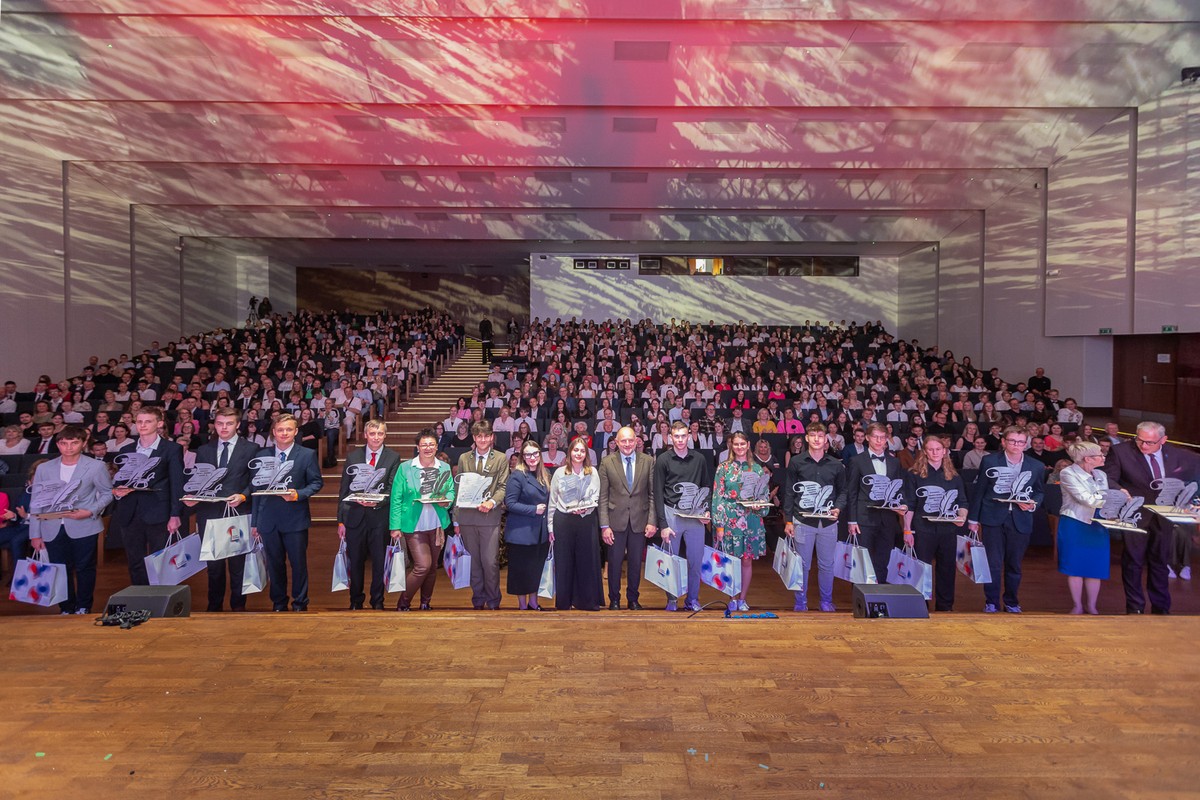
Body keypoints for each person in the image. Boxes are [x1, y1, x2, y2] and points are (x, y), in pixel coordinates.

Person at [1104, 421, 1200, 614]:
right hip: (1135, 514)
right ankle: (1135, 607)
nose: (1143, 446)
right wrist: (1119, 490)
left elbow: (1192, 478)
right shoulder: (1121, 452)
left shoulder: (1177, 454)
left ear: (1163, 440)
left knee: (1160, 560)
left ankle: (1161, 607)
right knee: (1133, 561)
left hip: (1165, 514)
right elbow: (1108, 477)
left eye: (1150, 442)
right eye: (1139, 440)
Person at [27, 426, 113, 614]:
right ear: (58, 444)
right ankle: (66, 607)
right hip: (51, 526)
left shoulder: (96, 466)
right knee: (59, 568)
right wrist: (35, 533)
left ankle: (83, 606)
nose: (68, 447)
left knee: (85, 567)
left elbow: (107, 494)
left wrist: (90, 511)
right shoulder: (44, 468)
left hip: (85, 525)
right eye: (64, 443)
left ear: (83, 444)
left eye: (74, 443)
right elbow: (36, 503)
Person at [183, 407, 257, 612]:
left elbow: (255, 482)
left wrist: (243, 495)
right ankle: (214, 607)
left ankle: (238, 606)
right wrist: (193, 497)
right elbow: (200, 481)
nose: (224, 428)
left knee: (237, 565)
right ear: (214, 425)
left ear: (237, 425)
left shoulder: (251, 449)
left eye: (229, 423)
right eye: (220, 423)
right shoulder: (204, 450)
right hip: (210, 514)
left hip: (238, 512)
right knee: (213, 567)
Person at [967, 425, 1046, 613]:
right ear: (1003, 442)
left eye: (1020, 442)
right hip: (992, 517)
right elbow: (980, 491)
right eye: (1012, 441)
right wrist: (973, 519)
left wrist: (1032, 503)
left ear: (1025, 444)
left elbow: (1039, 492)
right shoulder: (989, 461)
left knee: (1014, 564)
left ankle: (1011, 601)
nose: (1016, 445)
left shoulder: (1036, 466)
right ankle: (991, 602)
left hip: (1020, 519)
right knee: (993, 563)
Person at [250, 413, 324, 612]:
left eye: (288, 429)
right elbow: (255, 490)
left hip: (295, 519)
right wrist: (254, 522)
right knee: (274, 565)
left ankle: (300, 603)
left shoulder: (306, 455)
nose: (284, 433)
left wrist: (298, 494)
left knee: (298, 564)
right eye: (280, 429)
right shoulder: (260, 456)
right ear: (274, 432)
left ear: (296, 432)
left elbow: (317, 483)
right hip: (268, 519)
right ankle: (278, 603)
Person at [110, 406, 185, 586]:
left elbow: (177, 483)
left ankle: (159, 600)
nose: (142, 425)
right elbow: (121, 480)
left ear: (159, 424)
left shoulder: (171, 449)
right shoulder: (126, 449)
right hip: (130, 511)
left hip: (158, 512)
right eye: (139, 421)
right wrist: (118, 491)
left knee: (160, 561)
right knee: (135, 562)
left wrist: (175, 514)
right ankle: (140, 598)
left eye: (148, 421)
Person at [337, 419, 400, 611]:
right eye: (372, 434)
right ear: (365, 435)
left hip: (379, 518)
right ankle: (356, 600)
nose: (376, 437)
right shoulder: (353, 456)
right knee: (355, 561)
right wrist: (340, 521)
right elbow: (344, 490)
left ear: (385, 435)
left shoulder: (393, 457)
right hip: (355, 517)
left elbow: (393, 489)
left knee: (379, 561)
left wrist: (378, 501)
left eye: (380, 433)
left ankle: (377, 601)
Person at [390, 428, 455, 611]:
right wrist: (395, 526)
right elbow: (396, 498)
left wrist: (446, 502)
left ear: (436, 447)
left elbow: (450, 491)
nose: (428, 448)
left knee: (433, 567)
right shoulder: (405, 468)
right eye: (424, 444)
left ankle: (425, 602)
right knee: (422, 566)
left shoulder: (444, 467)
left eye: (431, 445)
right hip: (413, 524)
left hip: (436, 525)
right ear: (418, 447)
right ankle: (403, 602)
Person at [783, 427, 847, 612]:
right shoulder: (796, 462)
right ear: (806, 438)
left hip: (828, 522)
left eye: (820, 436)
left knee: (827, 564)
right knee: (802, 565)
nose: (817, 439)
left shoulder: (836, 464)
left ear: (825, 439)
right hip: (802, 520)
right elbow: (789, 492)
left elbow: (843, 490)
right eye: (813, 436)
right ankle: (800, 601)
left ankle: (826, 601)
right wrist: (788, 520)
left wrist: (838, 507)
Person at [902, 437, 969, 612]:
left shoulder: (954, 476)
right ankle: (920, 605)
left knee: (947, 569)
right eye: (930, 449)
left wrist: (961, 517)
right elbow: (909, 505)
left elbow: (962, 502)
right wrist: (907, 530)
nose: (935, 452)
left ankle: (945, 606)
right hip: (922, 528)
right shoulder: (914, 474)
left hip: (948, 530)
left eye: (938, 449)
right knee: (921, 569)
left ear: (944, 451)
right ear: (924, 451)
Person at [653, 420, 713, 612]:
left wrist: (706, 511)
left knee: (695, 561)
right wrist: (663, 524)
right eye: (676, 436)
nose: (680, 440)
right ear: (671, 437)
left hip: (695, 516)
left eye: (683, 436)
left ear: (689, 436)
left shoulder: (699, 459)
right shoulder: (663, 459)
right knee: (671, 561)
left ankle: (692, 599)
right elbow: (658, 493)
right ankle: (672, 600)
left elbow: (706, 487)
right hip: (672, 514)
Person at [598, 426, 658, 610]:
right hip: (615, 522)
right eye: (623, 440)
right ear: (616, 442)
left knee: (634, 564)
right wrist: (604, 525)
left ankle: (633, 599)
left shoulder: (648, 461)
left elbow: (652, 494)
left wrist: (652, 521)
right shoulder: (607, 462)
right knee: (614, 564)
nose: (627, 444)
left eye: (631, 440)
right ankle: (614, 599)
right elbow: (603, 497)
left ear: (637, 441)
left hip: (640, 521)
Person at [453, 421, 509, 610]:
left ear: (492, 437)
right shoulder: (463, 458)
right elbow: (459, 488)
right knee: (474, 563)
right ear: (474, 438)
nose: (483, 440)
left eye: (486, 436)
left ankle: (493, 600)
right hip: (467, 517)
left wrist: (492, 502)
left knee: (489, 562)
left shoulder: (501, 458)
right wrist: (456, 518)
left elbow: (503, 486)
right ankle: (478, 599)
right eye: (479, 436)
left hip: (489, 517)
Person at [711, 432, 769, 612]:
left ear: (748, 444)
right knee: (731, 561)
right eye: (736, 444)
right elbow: (717, 497)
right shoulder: (723, 468)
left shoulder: (758, 469)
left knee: (746, 560)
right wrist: (719, 524)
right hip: (730, 519)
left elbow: (764, 496)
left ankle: (742, 598)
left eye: (742, 444)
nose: (739, 447)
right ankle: (732, 597)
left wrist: (760, 506)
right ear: (731, 446)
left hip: (751, 519)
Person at [1057, 441, 1113, 615]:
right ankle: (1077, 605)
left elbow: (1105, 496)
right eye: (1100, 455)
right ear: (1088, 459)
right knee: (1075, 567)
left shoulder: (1101, 474)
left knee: (1095, 567)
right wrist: (1114, 499)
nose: (1104, 457)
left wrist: (1115, 500)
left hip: (1098, 523)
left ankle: (1092, 606)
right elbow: (1086, 499)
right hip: (1075, 522)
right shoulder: (1068, 473)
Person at [846, 423, 907, 583]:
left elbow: (899, 488)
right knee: (862, 562)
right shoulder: (856, 461)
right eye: (875, 437)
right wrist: (852, 520)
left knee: (882, 561)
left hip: (887, 519)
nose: (879, 441)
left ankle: (879, 598)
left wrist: (903, 505)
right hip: (864, 519)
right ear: (867, 438)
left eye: (882, 437)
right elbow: (851, 492)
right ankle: (860, 601)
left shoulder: (894, 462)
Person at [547, 436, 602, 611]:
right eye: (575, 450)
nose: (578, 453)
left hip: (586, 521)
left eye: (582, 450)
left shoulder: (592, 472)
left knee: (586, 561)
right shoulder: (559, 472)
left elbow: (595, 497)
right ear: (570, 452)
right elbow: (552, 501)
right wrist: (550, 527)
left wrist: (585, 509)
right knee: (564, 562)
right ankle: (564, 602)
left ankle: (585, 601)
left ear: (586, 454)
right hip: (563, 521)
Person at [504, 440, 552, 611]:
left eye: (535, 453)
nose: (532, 458)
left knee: (535, 570)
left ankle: (533, 602)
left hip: (540, 532)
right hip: (521, 533)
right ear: (522, 457)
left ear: (540, 454)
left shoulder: (544, 474)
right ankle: (522, 605)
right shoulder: (517, 475)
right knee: (521, 572)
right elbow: (509, 503)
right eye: (528, 454)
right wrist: (533, 509)